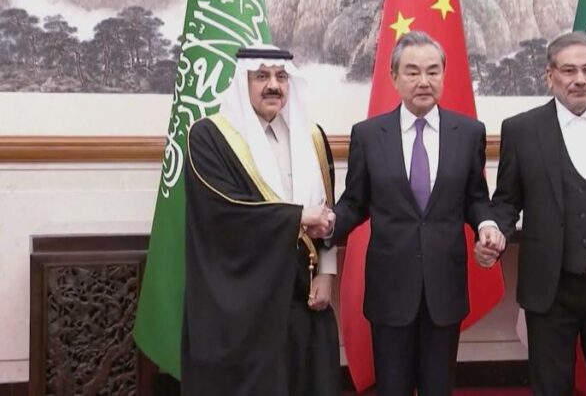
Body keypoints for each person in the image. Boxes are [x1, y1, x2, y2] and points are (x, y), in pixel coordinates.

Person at [475, 31, 586, 395]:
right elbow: (507, 200)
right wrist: (493, 230)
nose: (580, 79)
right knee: (550, 387)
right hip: (550, 287)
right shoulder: (521, 130)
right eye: (569, 70)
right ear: (550, 75)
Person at [332, 31, 504, 396]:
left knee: (438, 387)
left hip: (444, 286)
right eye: (412, 72)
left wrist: (487, 224)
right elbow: (355, 203)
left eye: (432, 71)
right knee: (392, 388)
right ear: (394, 78)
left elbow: (476, 198)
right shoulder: (368, 135)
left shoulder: (468, 133)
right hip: (390, 287)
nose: (423, 81)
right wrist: (328, 223)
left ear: (444, 74)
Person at [180, 45, 340, 396]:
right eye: (262, 76)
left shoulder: (312, 137)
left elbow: (328, 210)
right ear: (243, 82)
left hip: (302, 295)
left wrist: (327, 273)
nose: (273, 86)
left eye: (281, 77)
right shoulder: (210, 137)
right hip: (243, 303)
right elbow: (223, 213)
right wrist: (298, 217)